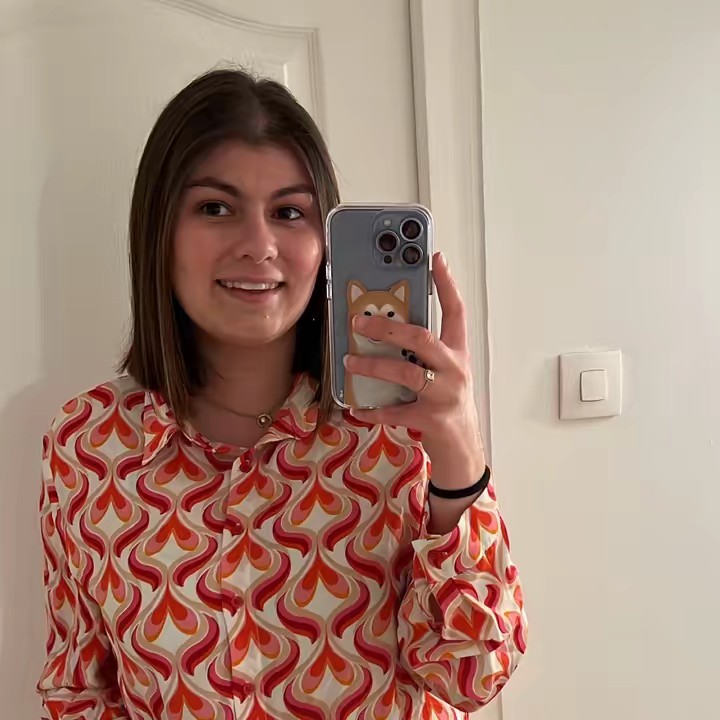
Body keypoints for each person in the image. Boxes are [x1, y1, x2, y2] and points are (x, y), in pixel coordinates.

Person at [37, 68, 527, 720]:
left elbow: (472, 675)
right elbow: (78, 690)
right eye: (216, 208)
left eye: (289, 213)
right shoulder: (88, 445)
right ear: (159, 231)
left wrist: (460, 462)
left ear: (326, 244)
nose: (259, 246)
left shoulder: (397, 427)